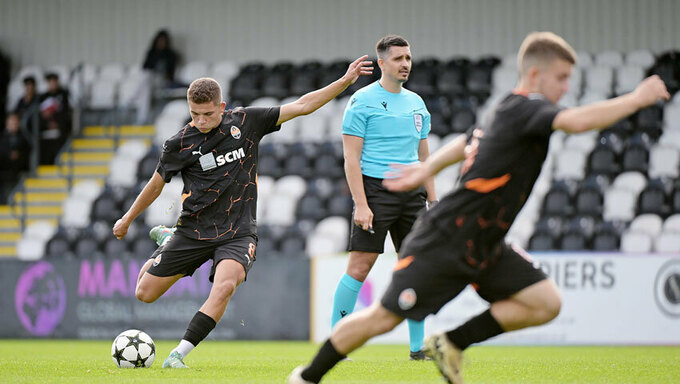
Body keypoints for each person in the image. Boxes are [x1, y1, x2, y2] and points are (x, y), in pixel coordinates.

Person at [288, 31, 670, 384]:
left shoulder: (505, 108)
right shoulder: (526, 108)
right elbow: (574, 122)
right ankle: (307, 376)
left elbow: (465, 141)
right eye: (562, 78)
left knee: (545, 302)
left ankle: (451, 342)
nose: (567, 87)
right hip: (450, 237)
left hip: (485, 240)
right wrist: (636, 99)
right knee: (384, 318)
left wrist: (425, 169)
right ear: (536, 74)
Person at [112, 55, 373, 369]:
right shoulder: (179, 143)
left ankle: (178, 354)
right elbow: (155, 184)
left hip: (238, 231)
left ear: (222, 108)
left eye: (207, 114)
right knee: (144, 293)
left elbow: (303, 105)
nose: (200, 121)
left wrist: (344, 81)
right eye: (194, 114)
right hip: (193, 230)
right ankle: (168, 241)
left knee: (224, 286)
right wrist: (127, 218)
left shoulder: (247, 122)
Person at [331, 34, 436, 360]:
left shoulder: (417, 103)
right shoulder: (361, 101)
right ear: (381, 63)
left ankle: (418, 349)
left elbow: (424, 157)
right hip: (375, 193)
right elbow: (351, 159)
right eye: (398, 58)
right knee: (359, 267)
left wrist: (432, 200)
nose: (405, 64)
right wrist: (360, 204)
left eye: (408, 57)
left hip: (412, 193)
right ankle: (337, 343)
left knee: (416, 269)